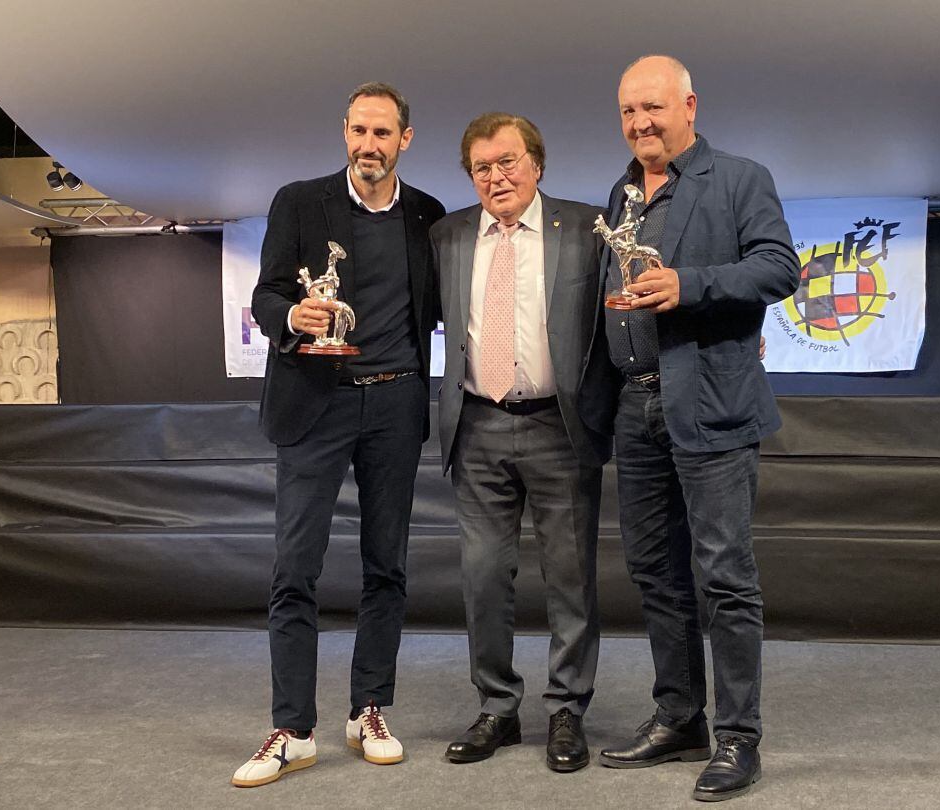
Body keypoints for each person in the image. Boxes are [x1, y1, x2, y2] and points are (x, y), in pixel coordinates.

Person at [595, 56, 799, 803]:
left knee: (724, 578)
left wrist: (692, 285)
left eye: (652, 108)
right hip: (634, 409)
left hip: (712, 405)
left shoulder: (740, 178)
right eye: (628, 112)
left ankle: (738, 737)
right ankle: (680, 716)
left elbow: (780, 268)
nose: (641, 123)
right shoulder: (619, 196)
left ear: (689, 105)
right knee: (655, 573)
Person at [232, 82, 445, 788]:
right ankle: (293, 729)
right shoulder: (299, 202)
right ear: (344, 132)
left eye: (382, 133)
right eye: (359, 130)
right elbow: (267, 293)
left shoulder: (427, 216)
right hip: (314, 404)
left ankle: (369, 708)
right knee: (295, 570)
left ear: (404, 140)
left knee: (387, 567)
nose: (368, 145)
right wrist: (294, 318)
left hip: (394, 404)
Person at [431, 113, 618, 773]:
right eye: (482, 167)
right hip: (477, 424)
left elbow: (616, 320)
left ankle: (567, 709)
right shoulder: (447, 235)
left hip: (558, 427)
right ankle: (498, 709)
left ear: (536, 164)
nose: (496, 176)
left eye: (507, 161)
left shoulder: (586, 229)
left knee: (570, 578)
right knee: (483, 577)